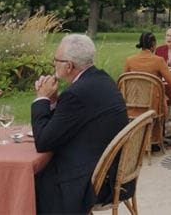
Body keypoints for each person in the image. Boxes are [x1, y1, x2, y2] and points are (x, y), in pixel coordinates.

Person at [32, 34, 129, 214]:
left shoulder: (76, 93)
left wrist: (42, 99)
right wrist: (53, 101)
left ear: (69, 66)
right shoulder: (101, 79)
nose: (54, 63)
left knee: (30, 180)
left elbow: (44, 142)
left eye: (56, 60)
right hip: (113, 171)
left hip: (93, 181)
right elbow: (65, 124)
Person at [124, 32, 171, 147]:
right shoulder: (158, 60)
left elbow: (124, 82)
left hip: (133, 105)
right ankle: (156, 138)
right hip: (152, 107)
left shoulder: (129, 60)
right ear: (153, 45)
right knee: (162, 99)